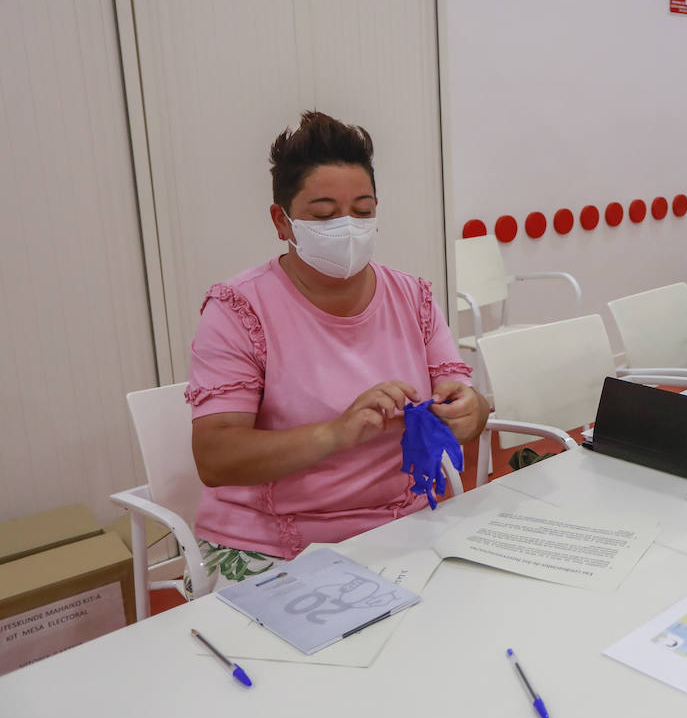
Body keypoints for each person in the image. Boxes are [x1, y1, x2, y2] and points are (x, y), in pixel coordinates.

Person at [184, 111, 489, 592]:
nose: (347, 228)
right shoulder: (240, 309)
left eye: (363, 211)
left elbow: (465, 399)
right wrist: (336, 433)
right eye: (324, 215)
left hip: (405, 525)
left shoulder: (413, 296)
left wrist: (472, 409)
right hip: (277, 544)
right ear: (281, 220)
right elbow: (216, 457)